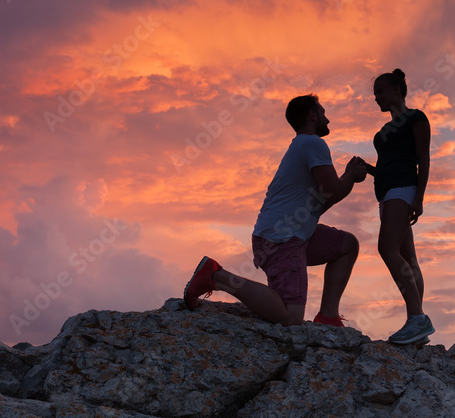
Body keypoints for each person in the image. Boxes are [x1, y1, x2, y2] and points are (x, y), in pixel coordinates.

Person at [183, 94, 368, 327]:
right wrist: (351, 176)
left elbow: (321, 203)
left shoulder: (303, 146)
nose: (327, 119)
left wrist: (348, 178)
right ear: (312, 115)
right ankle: (216, 276)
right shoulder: (312, 143)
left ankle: (328, 316)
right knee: (291, 317)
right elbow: (333, 189)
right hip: (280, 238)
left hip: (293, 234)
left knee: (347, 245)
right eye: (323, 113)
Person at [362, 69, 434, 344]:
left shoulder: (416, 118)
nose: (376, 98)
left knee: (386, 249)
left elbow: (423, 160)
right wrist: (366, 168)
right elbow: (384, 170)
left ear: (396, 89)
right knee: (409, 258)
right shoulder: (381, 135)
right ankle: (418, 322)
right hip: (387, 194)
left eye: (380, 92)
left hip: (403, 191)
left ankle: (417, 318)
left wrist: (419, 197)